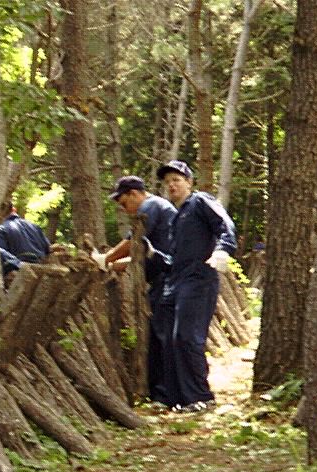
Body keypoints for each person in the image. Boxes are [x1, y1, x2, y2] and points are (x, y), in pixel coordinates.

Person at [155, 160, 237, 413]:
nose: (171, 185)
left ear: (189, 182)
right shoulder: (176, 216)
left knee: (187, 337)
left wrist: (224, 250)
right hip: (175, 282)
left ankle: (201, 396)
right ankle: (177, 398)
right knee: (168, 339)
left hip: (198, 278)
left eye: (176, 180)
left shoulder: (200, 201)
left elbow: (225, 224)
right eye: (167, 182)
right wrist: (153, 255)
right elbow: (174, 257)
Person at [96, 176, 177, 408]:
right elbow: (142, 253)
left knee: (161, 336)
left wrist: (105, 259)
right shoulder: (158, 207)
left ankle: (164, 394)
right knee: (158, 335)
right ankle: (158, 391)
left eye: (123, 203)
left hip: (166, 277)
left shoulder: (150, 206)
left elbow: (134, 241)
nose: (124, 210)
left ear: (134, 193)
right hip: (162, 275)